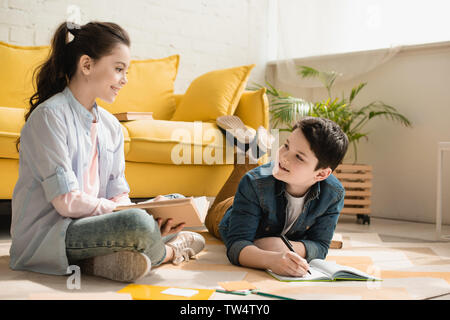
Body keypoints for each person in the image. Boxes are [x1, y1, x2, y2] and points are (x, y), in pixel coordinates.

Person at [10, 21, 205, 282]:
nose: (124, 80)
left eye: (126, 71)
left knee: (172, 202)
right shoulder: (50, 116)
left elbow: (118, 193)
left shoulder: (111, 126)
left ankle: (105, 258)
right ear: (87, 65)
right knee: (138, 225)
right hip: (52, 234)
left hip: (94, 223)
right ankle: (167, 252)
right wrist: (133, 215)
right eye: (118, 69)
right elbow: (65, 201)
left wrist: (146, 208)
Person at [205, 116, 348, 277]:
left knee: (257, 176)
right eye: (286, 145)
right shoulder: (253, 182)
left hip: (259, 192)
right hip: (227, 212)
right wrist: (272, 260)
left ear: (321, 174)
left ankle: (250, 153)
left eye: (299, 157)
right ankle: (247, 156)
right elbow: (237, 244)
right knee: (212, 213)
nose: (284, 156)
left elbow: (321, 247)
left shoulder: (333, 194)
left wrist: (282, 245)